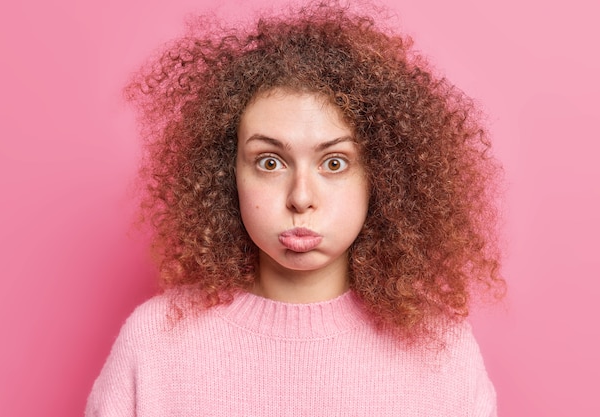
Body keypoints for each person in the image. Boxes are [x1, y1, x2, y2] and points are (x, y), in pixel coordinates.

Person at [86, 1, 505, 415]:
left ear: (382, 177)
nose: (301, 197)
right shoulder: (156, 344)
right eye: (270, 163)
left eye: (334, 163)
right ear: (225, 173)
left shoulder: (442, 351)